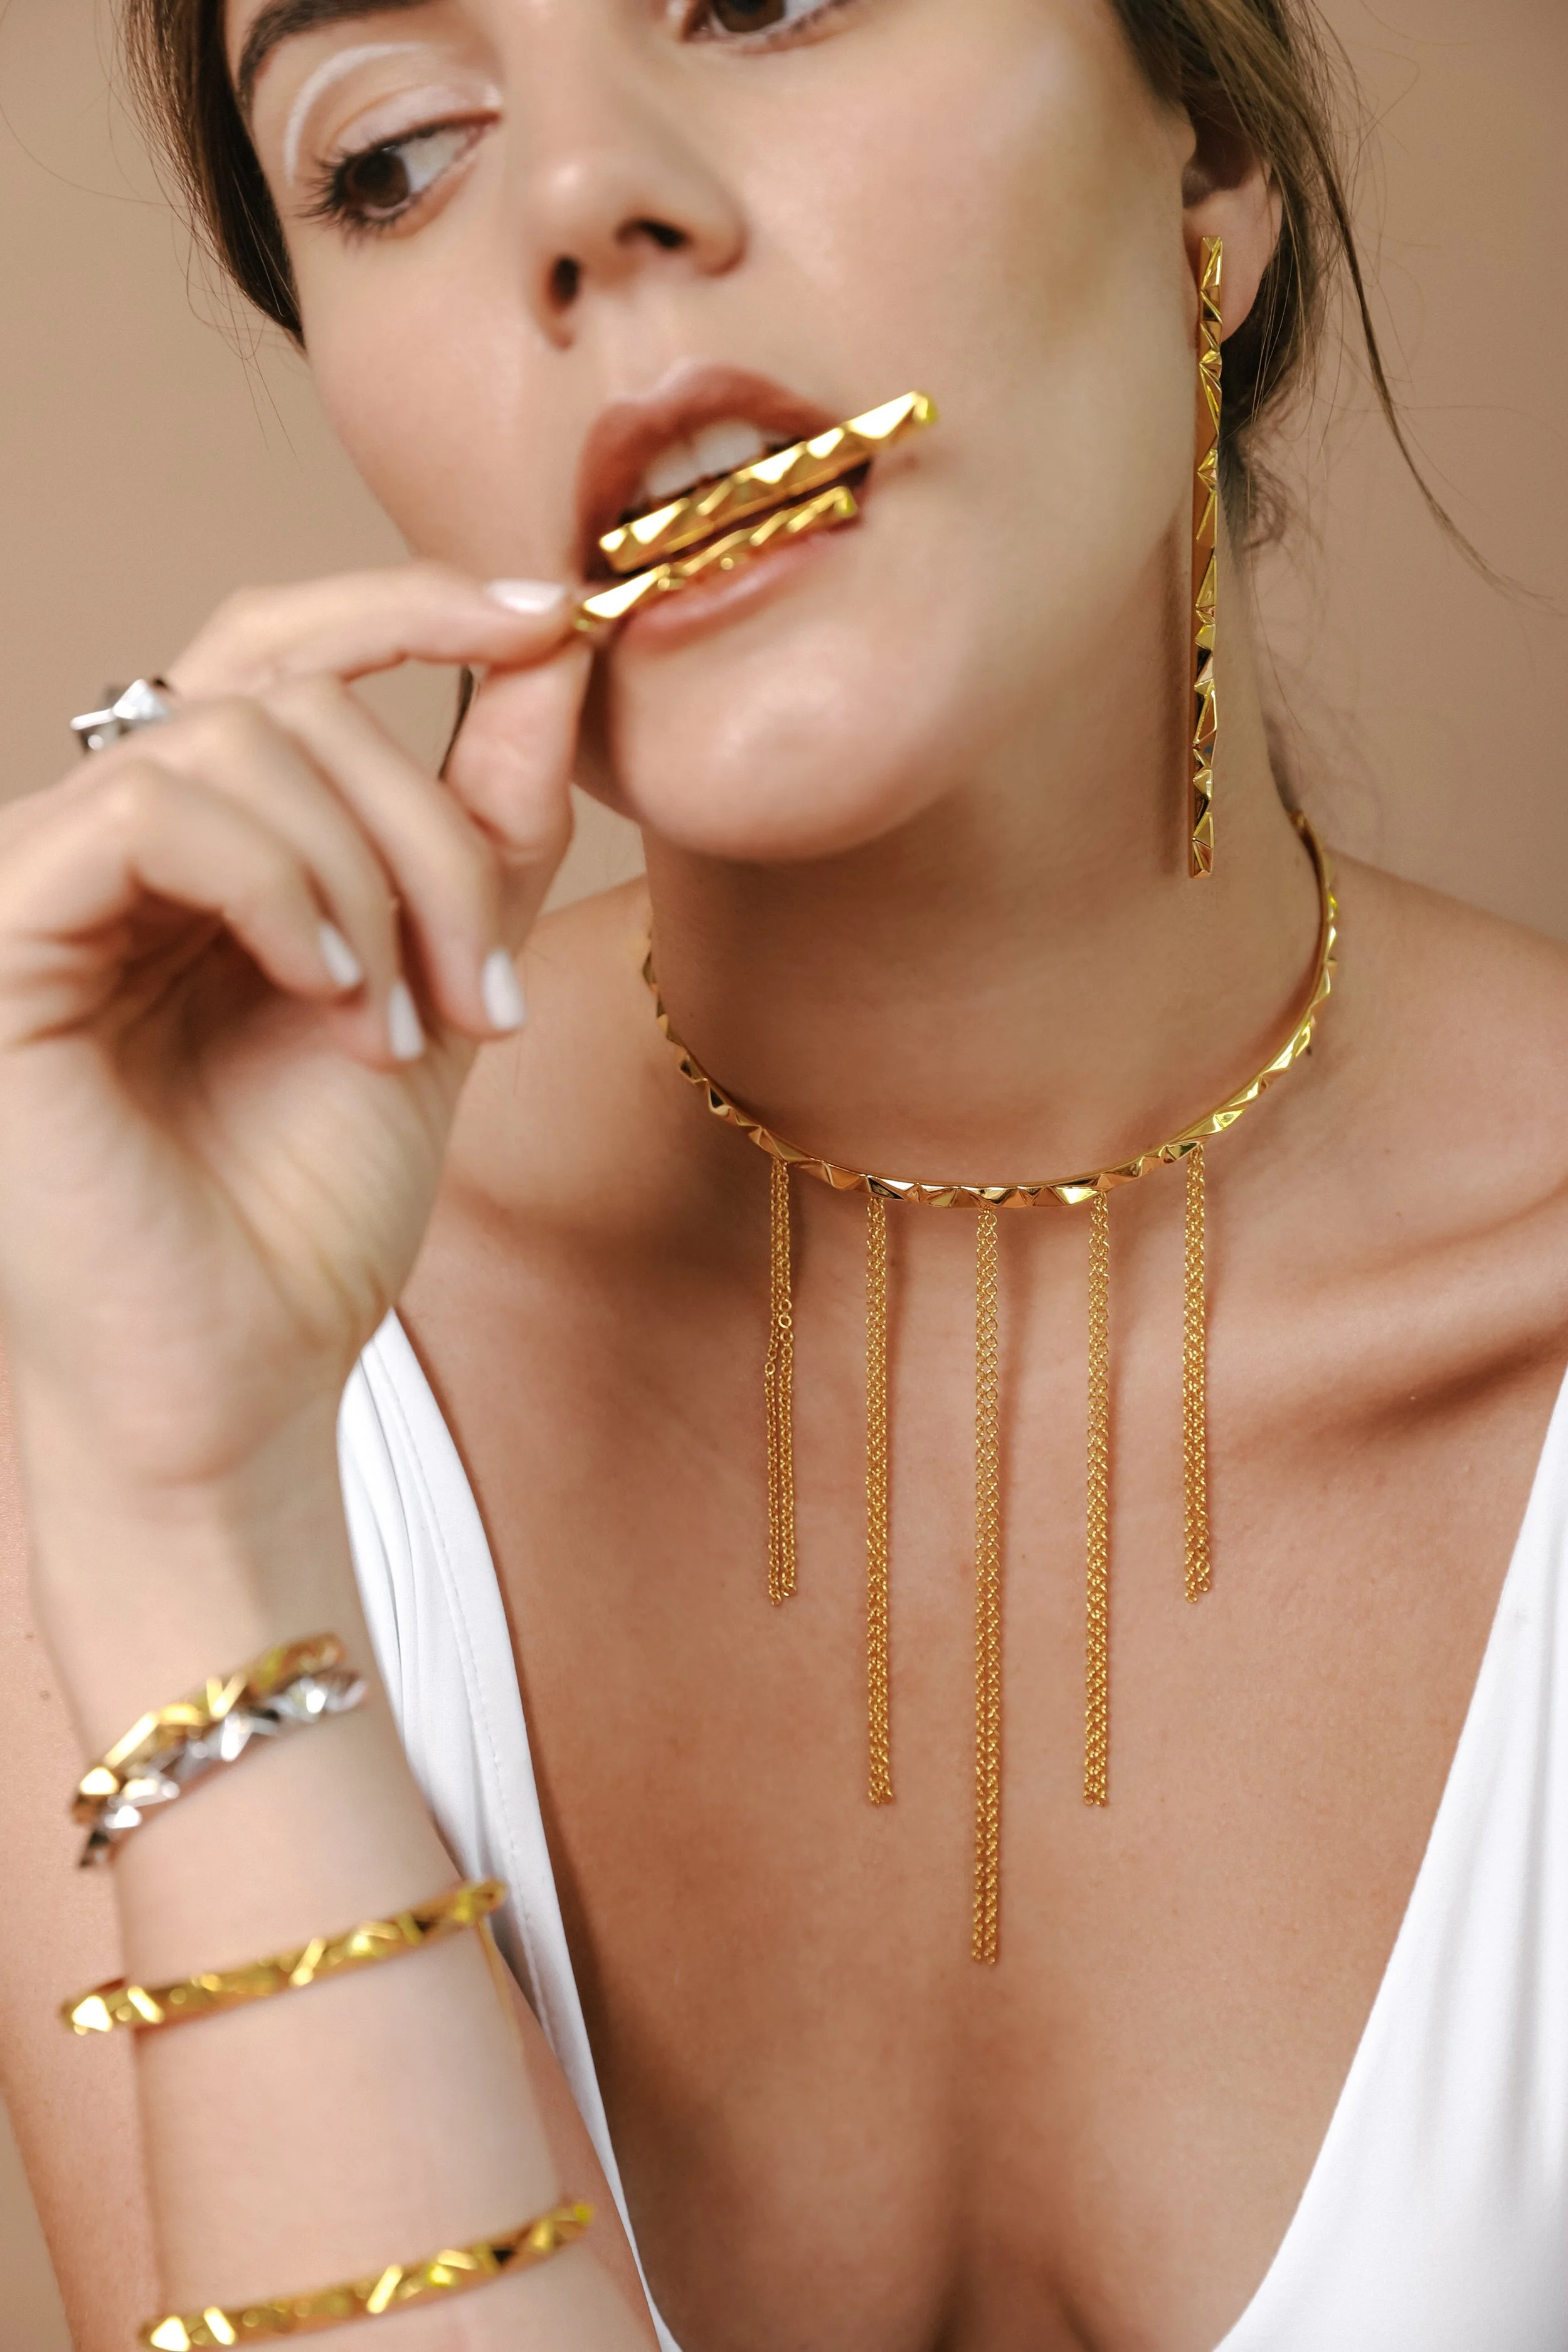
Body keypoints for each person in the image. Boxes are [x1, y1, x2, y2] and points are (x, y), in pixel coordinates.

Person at [3, 1, 1567, 2346]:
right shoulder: (143, 1364)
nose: (579, 207)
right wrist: (172, 1502)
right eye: (397, 152)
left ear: (1207, 173)